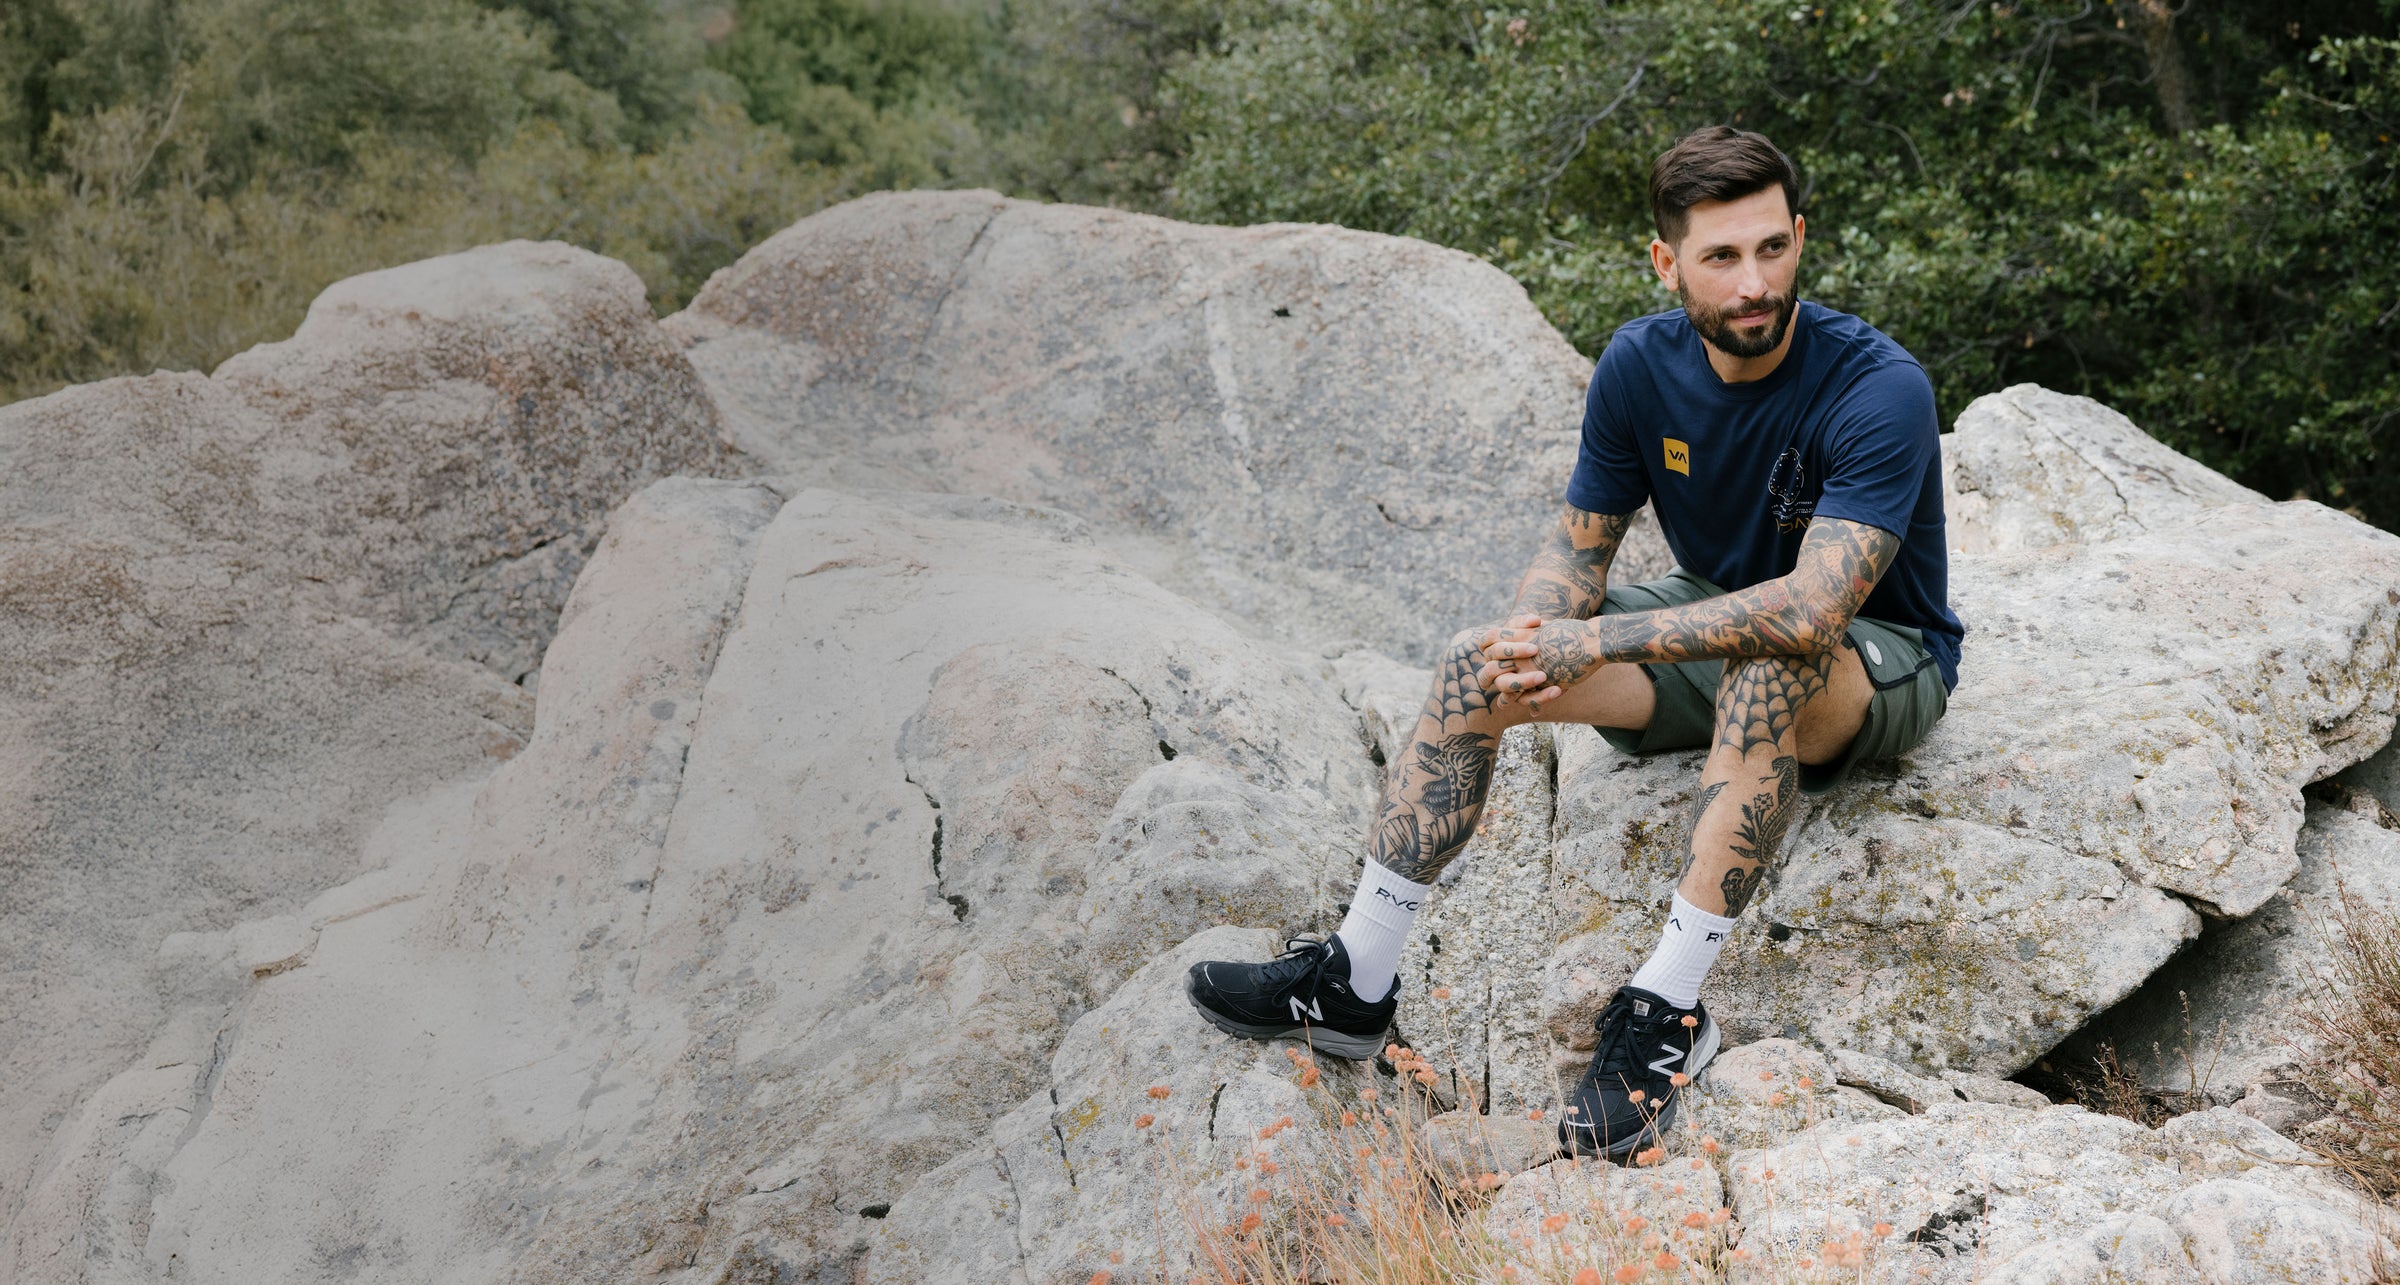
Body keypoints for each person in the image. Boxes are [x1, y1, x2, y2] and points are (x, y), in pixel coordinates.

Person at [1182, 125, 1963, 1161]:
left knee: (1768, 669)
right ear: (1666, 262)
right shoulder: (1639, 365)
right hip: (1712, 616)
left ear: (1801, 239)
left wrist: (1595, 646)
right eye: (1722, 257)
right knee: (1474, 663)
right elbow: (1577, 549)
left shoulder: (1877, 385)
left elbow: (1811, 611)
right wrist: (1531, 638)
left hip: (1876, 653)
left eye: (1773, 248)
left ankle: (1668, 1011)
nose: (1755, 283)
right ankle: (1355, 979)